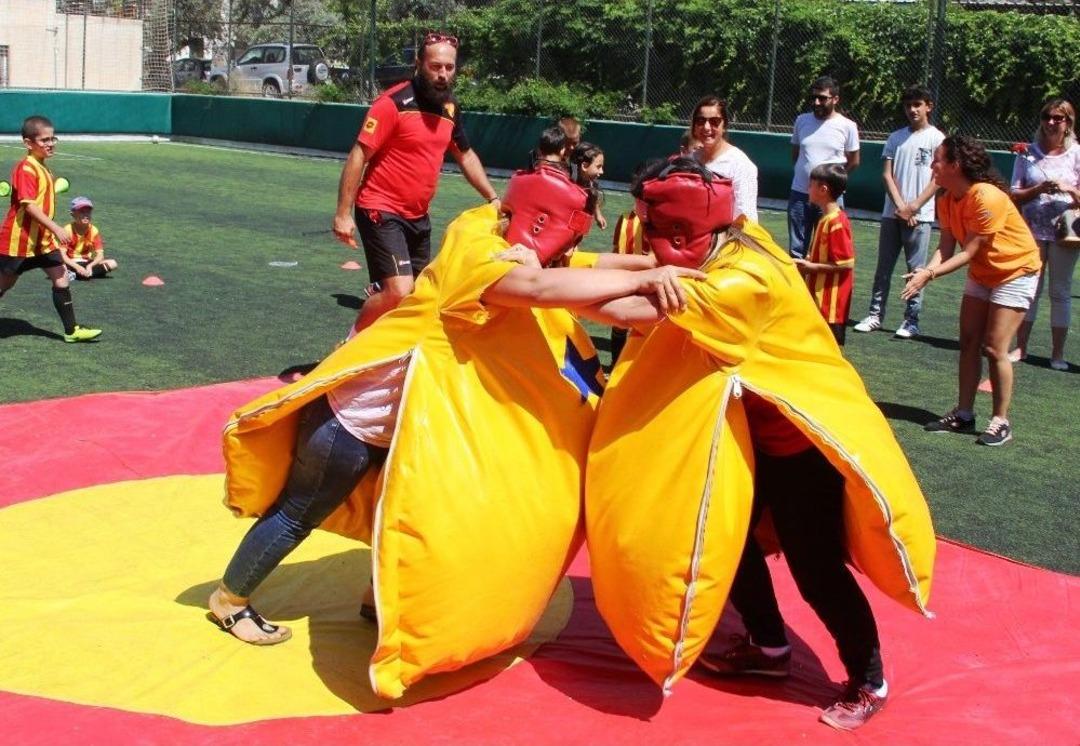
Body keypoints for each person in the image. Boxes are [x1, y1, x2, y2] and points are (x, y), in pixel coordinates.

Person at [215, 167, 701, 699]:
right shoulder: (480, 258)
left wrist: (665, 266)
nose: (573, 249)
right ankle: (229, 601)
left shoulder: (493, 232)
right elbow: (541, 284)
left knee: (395, 510)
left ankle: (379, 598)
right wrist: (646, 277)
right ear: (541, 222)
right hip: (346, 427)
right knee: (295, 515)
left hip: (388, 429)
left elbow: (581, 270)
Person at [579, 157, 935, 732]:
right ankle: (769, 647)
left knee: (814, 566)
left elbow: (626, 310)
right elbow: (647, 272)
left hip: (801, 445)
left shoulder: (737, 282)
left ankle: (869, 678)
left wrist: (530, 287)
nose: (649, 245)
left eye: (658, 232)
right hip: (760, 436)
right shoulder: (741, 238)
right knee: (734, 535)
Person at [332, 32, 500, 335]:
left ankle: (386, 354)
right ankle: (350, 345)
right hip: (379, 209)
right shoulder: (392, 103)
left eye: (449, 67)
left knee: (418, 296)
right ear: (418, 63)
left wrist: (493, 197)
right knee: (399, 290)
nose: (443, 74)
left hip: (418, 217)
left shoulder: (449, 108)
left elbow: (465, 155)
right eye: (435, 66)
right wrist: (343, 214)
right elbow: (359, 155)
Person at [902, 135, 1042, 447]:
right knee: (968, 342)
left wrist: (930, 275)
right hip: (983, 271)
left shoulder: (985, 196)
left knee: (994, 347)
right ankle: (964, 415)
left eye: (938, 159)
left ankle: (1000, 421)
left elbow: (969, 252)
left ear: (955, 165)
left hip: (1016, 271)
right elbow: (947, 247)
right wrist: (927, 269)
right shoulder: (946, 198)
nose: (933, 165)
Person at [0, 115, 101, 343]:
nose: (50, 143)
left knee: (61, 277)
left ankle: (71, 331)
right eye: (44, 140)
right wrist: (56, 227)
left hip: (43, 243)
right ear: (28, 143)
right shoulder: (26, 168)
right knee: (6, 283)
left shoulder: (43, 168)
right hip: (19, 242)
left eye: (52, 138)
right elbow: (30, 206)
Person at [854, 85, 945, 339]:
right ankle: (874, 315)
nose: (913, 110)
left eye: (918, 105)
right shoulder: (895, 138)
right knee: (883, 268)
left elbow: (938, 178)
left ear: (929, 106)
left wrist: (914, 206)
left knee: (916, 270)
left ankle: (911, 320)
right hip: (892, 214)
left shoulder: (938, 139)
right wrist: (900, 206)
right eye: (908, 105)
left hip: (921, 216)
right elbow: (886, 174)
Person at [1008, 98, 1080, 371]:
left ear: (1068, 123)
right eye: (1046, 116)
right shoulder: (1027, 153)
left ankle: (1058, 353)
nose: (1051, 122)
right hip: (1031, 232)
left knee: (1060, 291)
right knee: (1029, 290)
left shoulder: (1077, 154)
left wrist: (1067, 189)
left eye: (1057, 118)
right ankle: (1021, 347)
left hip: (1066, 233)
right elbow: (1014, 193)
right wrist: (1039, 190)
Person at [788, 76, 860, 258]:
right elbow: (796, 154)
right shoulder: (801, 121)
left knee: (826, 251)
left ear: (835, 99)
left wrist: (834, 182)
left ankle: (819, 287)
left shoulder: (848, 126)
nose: (817, 102)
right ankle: (797, 286)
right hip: (799, 195)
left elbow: (854, 161)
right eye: (814, 98)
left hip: (829, 199)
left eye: (822, 98)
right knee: (796, 251)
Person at [794, 163, 854, 346]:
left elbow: (846, 263)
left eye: (811, 185)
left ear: (823, 190)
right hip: (820, 300)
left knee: (829, 349)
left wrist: (810, 267)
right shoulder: (825, 219)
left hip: (831, 304)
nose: (808, 189)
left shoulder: (837, 222)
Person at [690, 95, 758, 221]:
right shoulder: (689, 160)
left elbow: (746, 220)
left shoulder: (740, 165)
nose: (706, 127)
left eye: (714, 121)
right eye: (700, 121)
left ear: (724, 125)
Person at [63, 196, 118, 280]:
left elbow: (100, 255)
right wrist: (77, 267)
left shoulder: (94, 230)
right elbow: (62, 255)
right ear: (72, 214)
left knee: (113, 263)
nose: (86, 215)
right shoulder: (67, 230)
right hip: (71, 262)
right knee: (61, 265)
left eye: (88, 212)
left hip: (87, 262)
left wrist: (90, 265)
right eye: (82, 212)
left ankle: (76, 274)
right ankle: (82, 273)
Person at [570, 141, 607, 230]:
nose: (602, 172)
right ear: (585, 166)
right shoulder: (568, 183)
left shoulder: (590, 182)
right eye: (598, 167)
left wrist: (598, 214)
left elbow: (593, 193)